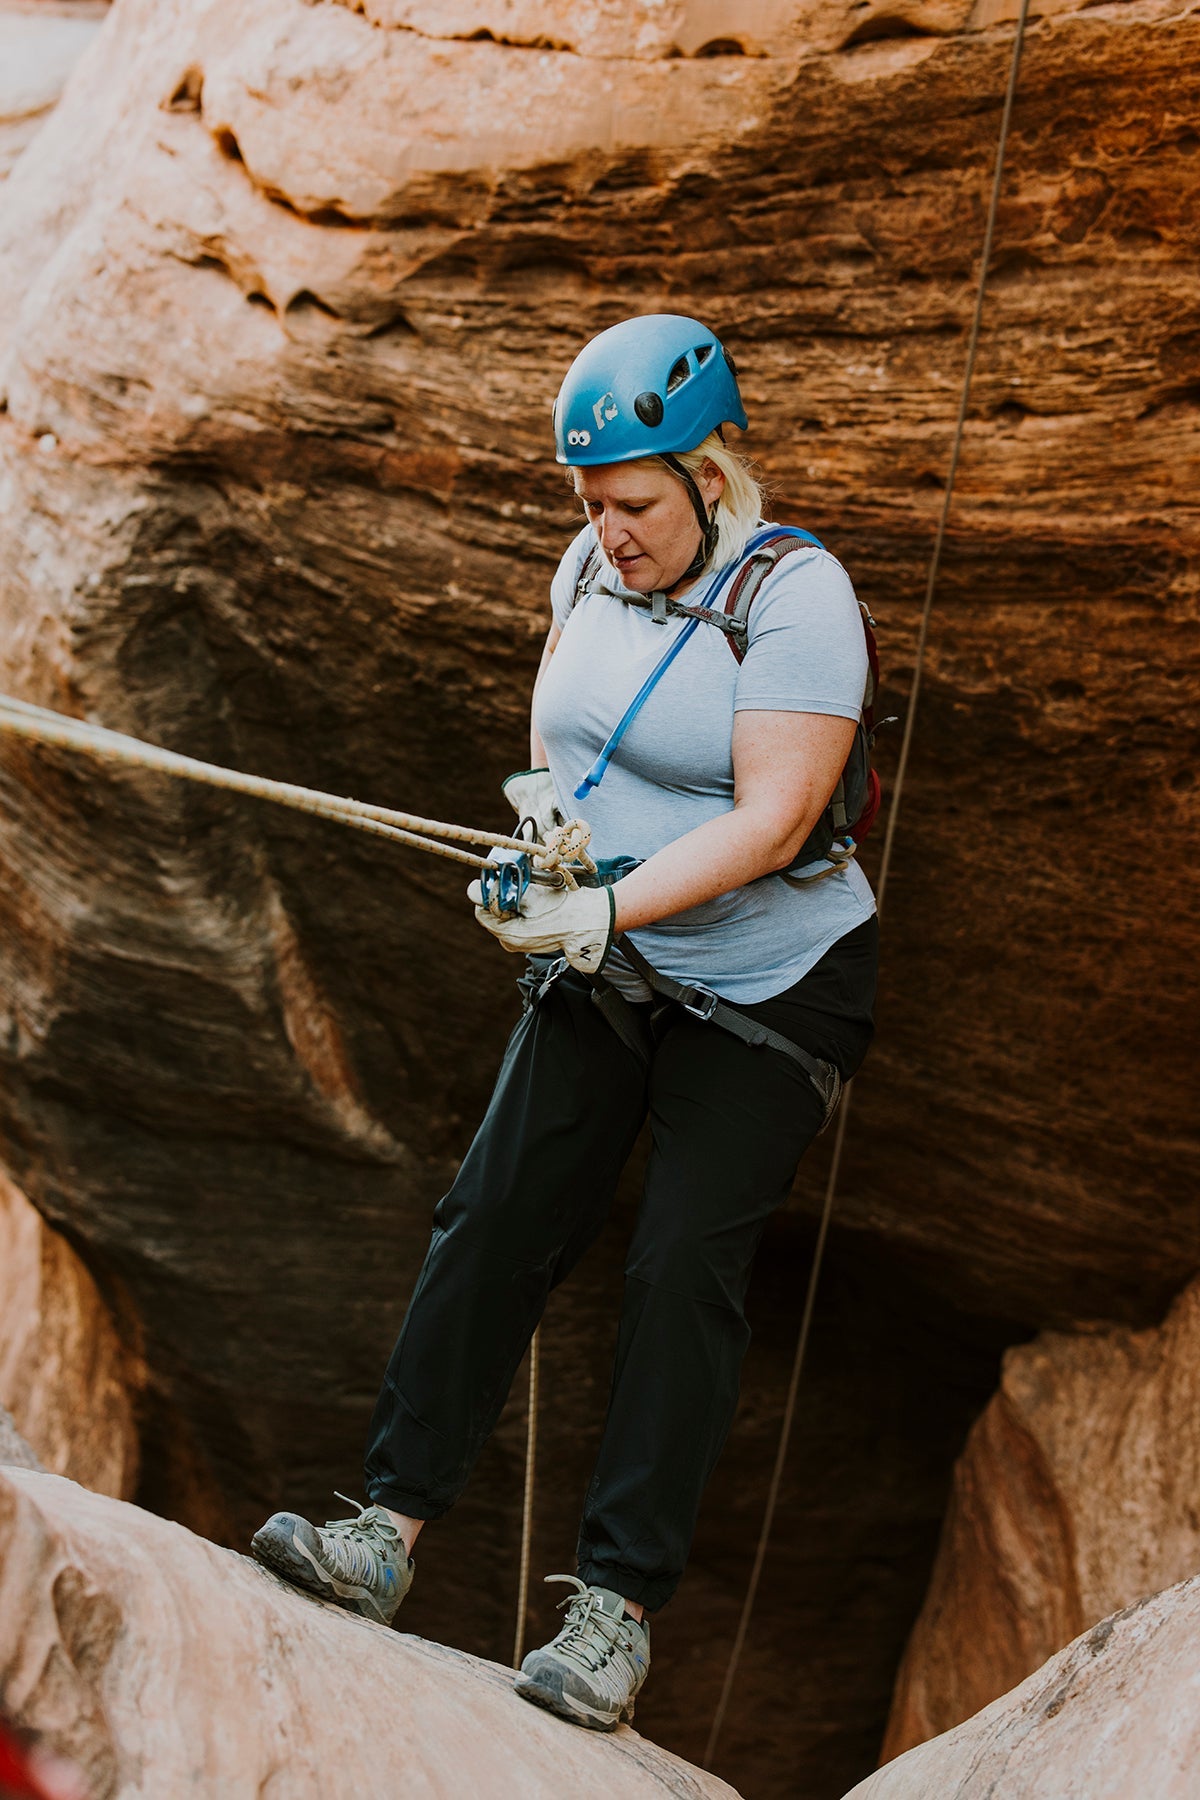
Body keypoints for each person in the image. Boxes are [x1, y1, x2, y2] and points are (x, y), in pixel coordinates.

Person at [251, 314, 878, 1733]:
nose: (611, 531)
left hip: (770, 983)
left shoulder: (798, 598)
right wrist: (540, 855)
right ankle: (384, 1534)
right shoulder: (589, 567)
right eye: (592, 503)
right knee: (494, 1215)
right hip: (615, 951)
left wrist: (603, 911)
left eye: (636, 503)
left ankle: (615, 1619)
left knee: (679, 1270)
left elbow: (777, 821)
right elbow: (565, 747)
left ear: (709, 476)